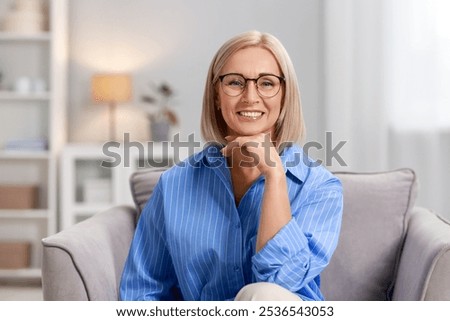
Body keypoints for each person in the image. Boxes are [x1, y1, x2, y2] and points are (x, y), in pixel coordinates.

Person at [120, 30, 343, 301]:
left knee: (264, 295)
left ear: (284, 97)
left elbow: (282, 281)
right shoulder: (174, 185)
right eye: (235, 83)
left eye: (267, 83)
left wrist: (275, 177)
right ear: (216, 94)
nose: (250, 96)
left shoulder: (320, 188)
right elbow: (142, 290)